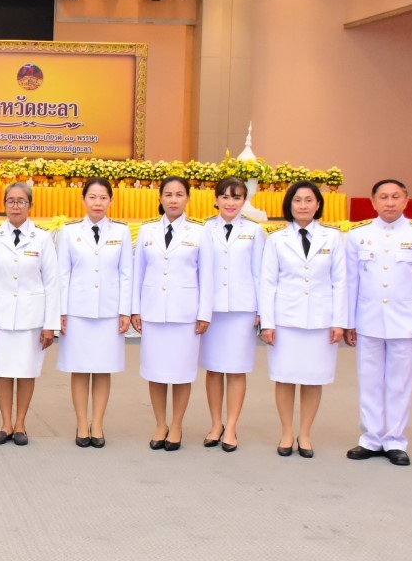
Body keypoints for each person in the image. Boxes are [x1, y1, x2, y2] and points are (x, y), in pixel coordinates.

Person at [343, 179, 412, 467]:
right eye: (383, 197)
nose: (389, 202)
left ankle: (395, 440)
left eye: (396, 197)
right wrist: (348, 322)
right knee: (369, 381)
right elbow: (350, 282)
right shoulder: (358, 235)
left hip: (405, 322)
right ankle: (371, 438)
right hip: (368, 319)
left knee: (399, 383)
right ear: (373, 202)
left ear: (406, 201)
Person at [258, 181, 347, 459]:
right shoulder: (276, 239)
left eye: (309, 200)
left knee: (312, 378)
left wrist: (339, 321)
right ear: (289, 204)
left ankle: (305, 433)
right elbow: (268, 283)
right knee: (284, 377)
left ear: (318, 204)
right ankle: (287, 432)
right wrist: (268, 323)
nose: (303, 205)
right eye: (297, 200)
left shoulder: (333, 237)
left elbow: (340, 282)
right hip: (285, 319)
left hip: (320, 319)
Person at [133, 175, 215, 451]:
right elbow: (138, 272)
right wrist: (135, 310)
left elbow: (207, 275)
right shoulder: (147, 231)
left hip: (185, 315)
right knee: (155, 371)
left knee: (181, 373)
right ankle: (160, 424)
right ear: (160, 198)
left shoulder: (200, 231)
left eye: (179, 194)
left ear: (188, 198)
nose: (173, 200)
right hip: (153, 312)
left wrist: (204, 313)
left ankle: (177, 425)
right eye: (168, 194)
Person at [0, 182, 58, 446]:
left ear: (30, 205)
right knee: (2, 370)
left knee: (26, 370)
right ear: (4, 205)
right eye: (11, 201)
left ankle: (20, 424)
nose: (16, 206)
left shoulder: (42, 238)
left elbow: (52, 283)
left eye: (21, 201)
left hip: (31, 318)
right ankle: (5, 424)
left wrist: (50, 325)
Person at [58, 177, 132, 449]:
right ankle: (81, 423)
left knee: (103, 369)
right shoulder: (69, 232)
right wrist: (61, 311)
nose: (97, 203)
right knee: (79, 369)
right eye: (92, 197)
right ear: (83, 200)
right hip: (77, 311)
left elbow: (126, 274)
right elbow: (63, 273)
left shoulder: (121, 232)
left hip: (109, 312)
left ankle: (97, 424)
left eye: (103, 197)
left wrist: (125, 311)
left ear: (111, 200)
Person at [200, 177, 264, 453]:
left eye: (236, 197)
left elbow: (259, 273)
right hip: (212, 309)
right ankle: (216, 424)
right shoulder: (204, 228)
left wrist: (261, 310)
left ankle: (232, 426)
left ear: (244, 200)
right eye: (225, 197)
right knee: (214, 369)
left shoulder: (255, 230)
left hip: (242, 309)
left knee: (237, 370)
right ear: (216, 199)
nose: (230, 202)